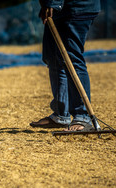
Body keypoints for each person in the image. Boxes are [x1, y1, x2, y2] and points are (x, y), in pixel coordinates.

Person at [30, 0, 100, 131]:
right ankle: (61, 115)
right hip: (60, 10)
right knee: (53, 57)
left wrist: (52, 2)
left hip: (76, 8)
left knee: (71, 57)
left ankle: (83, 117)